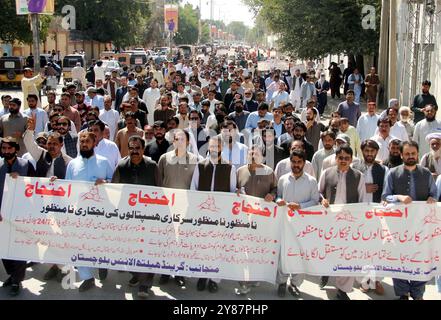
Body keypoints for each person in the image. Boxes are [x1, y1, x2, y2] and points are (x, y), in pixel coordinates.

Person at [382, 141, 437, 300]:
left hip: (422, 228)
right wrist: (398, 197)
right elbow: (385, 197)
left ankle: (417, 293)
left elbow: (434, 193)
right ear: (401, 155)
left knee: (420, 260)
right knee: (398, 260)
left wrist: (432, 199)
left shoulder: (426, 173)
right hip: (398, 228)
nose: (410, 156)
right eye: (407, 154)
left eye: (413, 153)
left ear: (417, 154)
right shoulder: (393, 173)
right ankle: (403, 293)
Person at [111, 136, 160, 298]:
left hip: (148, 218)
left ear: (143, 149)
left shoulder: (152, 166)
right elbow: (113, 189)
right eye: (131, 148)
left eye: (137, 148)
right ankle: (137, 274)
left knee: (147, 251)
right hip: (128, 218)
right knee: (130, 250)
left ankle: (145, 284)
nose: (134, 151)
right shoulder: (121, 166)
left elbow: (160, 191)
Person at [65, 132, 114, 292]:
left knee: (100, 243)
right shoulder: (72, 165)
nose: (84, 144)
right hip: (79, 213)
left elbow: (115, 185)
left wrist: (106, 183)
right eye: (82, 141)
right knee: (79, 244)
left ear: (94, 143)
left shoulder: (104, 162)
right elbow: (66, 187)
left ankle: (102, 264)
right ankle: (87, 277)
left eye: (87, 141)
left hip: (100, 213)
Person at [319, 144, 367, 300]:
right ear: (336, 158)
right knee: (328, 252)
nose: (344, 161)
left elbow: (362, 200)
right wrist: (323, 200)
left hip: (348, 224)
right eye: (341, 158)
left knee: (346, 255)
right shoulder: (327, 173)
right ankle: (325, 273)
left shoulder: (359, 176)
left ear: (351, 159)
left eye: (347, 158)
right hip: (329, 221)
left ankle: (342, 289)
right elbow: (319, 193)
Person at [191, 136, 237, 293]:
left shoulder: (230, 168)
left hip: (220, 217)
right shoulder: (200, 165)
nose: (214, 149)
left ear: (222, 148)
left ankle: (214, 279)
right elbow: (193, 189)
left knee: (217, 248)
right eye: (211, 146)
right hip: (202, 216)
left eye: (217, 146)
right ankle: (202, 276)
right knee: (202, 247)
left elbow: (232, 192)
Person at [157, 129, 199, 288]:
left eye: (183, 139)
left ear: (188, 142)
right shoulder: (164, 158)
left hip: (186, 208)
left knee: (183, 241)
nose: (179, 141)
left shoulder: (195, 160)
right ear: (173, 141)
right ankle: (165, 271)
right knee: (166, 240)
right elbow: (159, 181)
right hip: (167, 208)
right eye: (176, 139)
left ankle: (180, 272)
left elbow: (196, 186)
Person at [276, 150, 320, 297]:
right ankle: (281, 283)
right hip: (286, 224)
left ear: (304, 163)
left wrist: (301, 206)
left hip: (303, 226)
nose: (296, 165)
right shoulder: (283, 179)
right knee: (284, 255)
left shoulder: (311, 181)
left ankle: (295, 284)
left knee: (300, 256)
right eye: (293, 162)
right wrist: (278, 201)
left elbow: (315, 201)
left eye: (299, 162)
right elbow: (277, 196)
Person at [235, 146, 277, 295]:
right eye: (251, 153)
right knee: (244, 250)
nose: (254, 155)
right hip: (243, 219)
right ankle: (244, 281)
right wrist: (236, 192)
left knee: (257, 250)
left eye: (257, 153)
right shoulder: (240, 171)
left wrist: (272, 195)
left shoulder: (268, 172)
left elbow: (275, 189)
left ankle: (256, 276)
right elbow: (234, 189)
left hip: (262, 219)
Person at [0, 137, 36, 296]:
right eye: (4, 149)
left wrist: (21, 180)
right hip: (2, 214)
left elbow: (36, 185)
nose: (6, 151)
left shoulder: (25, 165)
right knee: (3, 248)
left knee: (18, 247)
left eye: (9, 148)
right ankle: (12, 274)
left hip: (21, 213)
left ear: (16, 149)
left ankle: (17, 279)